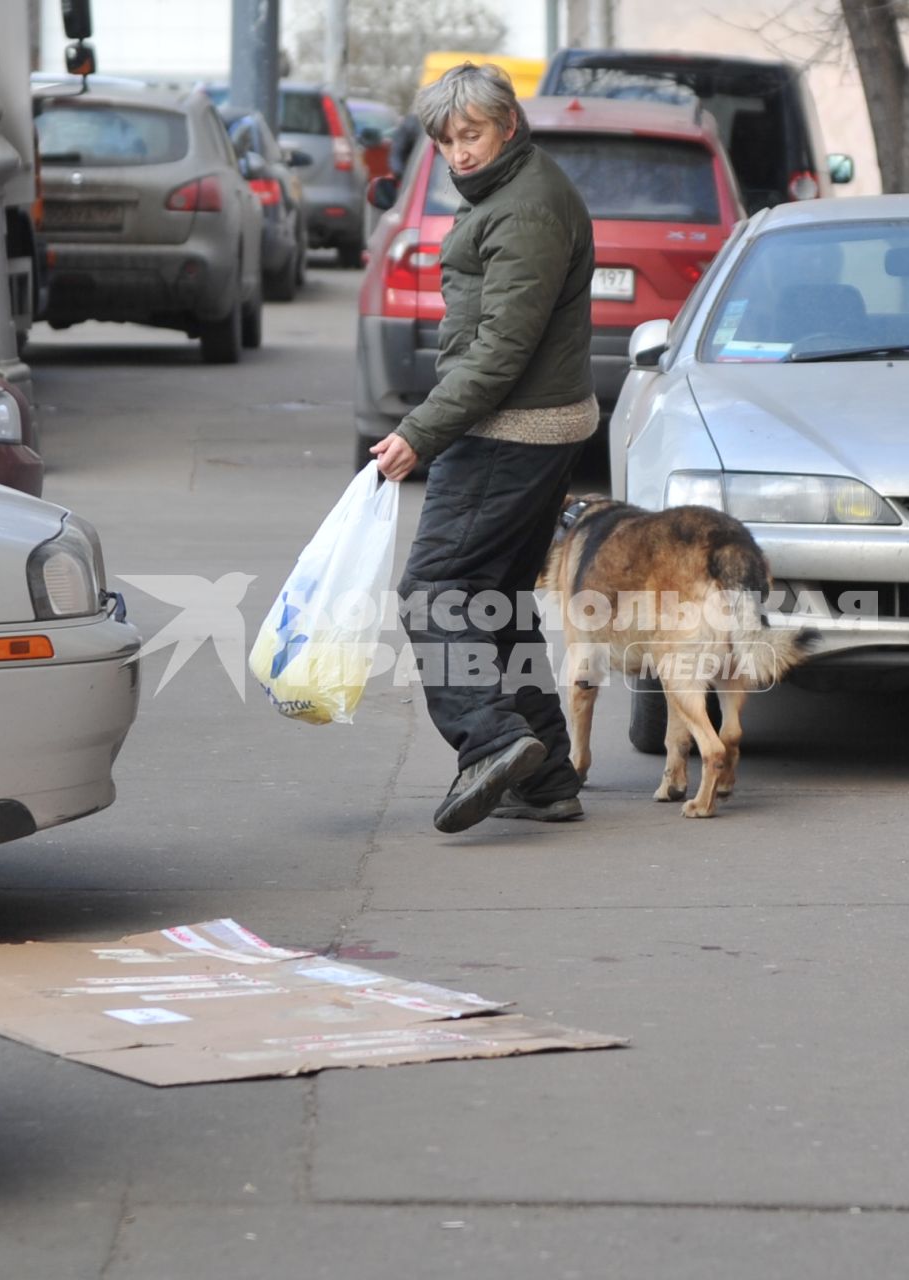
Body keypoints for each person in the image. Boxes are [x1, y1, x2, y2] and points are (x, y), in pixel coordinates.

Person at [369, 62, 599, 834]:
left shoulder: (525, 210)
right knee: (494, 602)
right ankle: (549, 780)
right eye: (447, 139)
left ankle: (492, 741)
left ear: (508, 125)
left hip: (510, 429)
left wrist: (418, 433)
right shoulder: (516, 193)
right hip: (533, 424)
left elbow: (502, 348)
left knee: (433, 591)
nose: (459, 152)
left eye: (472, 134)